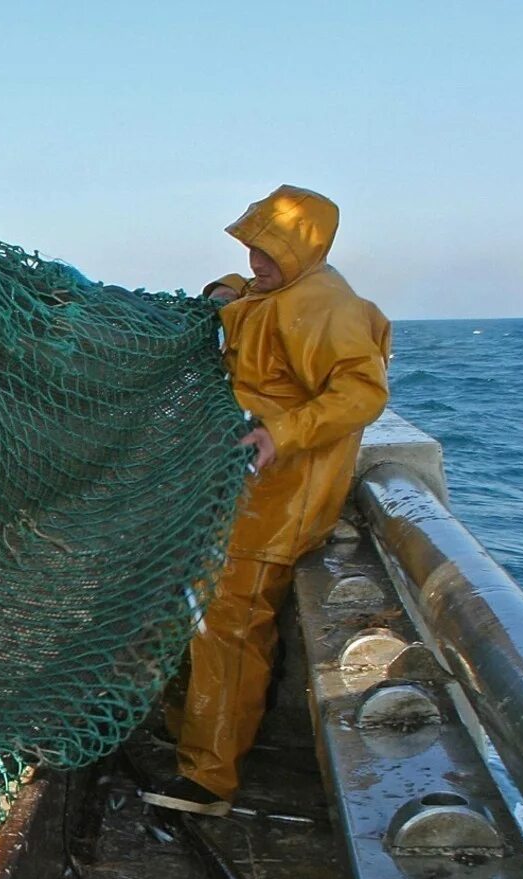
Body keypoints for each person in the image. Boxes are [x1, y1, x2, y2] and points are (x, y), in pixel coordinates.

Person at [142, 186, 392, 817]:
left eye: (268, 252)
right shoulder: (273, 289)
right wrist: (222, 292)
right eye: (251, 248)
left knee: (232, 627)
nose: (256, 263)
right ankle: (184, 735)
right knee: (196, 611)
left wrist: (283, 433)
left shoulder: (327, 308)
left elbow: (362, 392)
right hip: (234, 491)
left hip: (278, 505)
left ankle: (209, 780)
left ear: (303, 251)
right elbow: (250, 300)